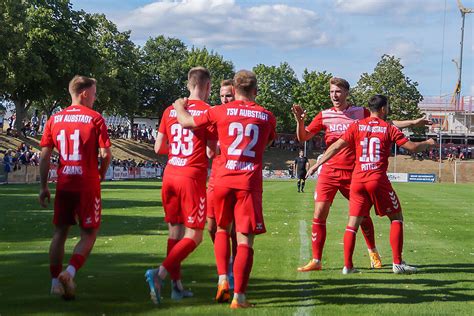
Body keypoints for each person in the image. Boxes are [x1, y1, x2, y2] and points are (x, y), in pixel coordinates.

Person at [292, 77, 432, 272]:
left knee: (362, 215)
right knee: (319, 213)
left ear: (347, 93)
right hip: (330, 172)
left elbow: (385, 122)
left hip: (354, 172)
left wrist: (414, 121)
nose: (334, 95)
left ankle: (372, 251)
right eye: (332, 92)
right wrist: (300, 122)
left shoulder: (360, 113)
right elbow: (303, 137)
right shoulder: (324, 115)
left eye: (338, 92)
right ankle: (316, 260)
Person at [173, 69, 276, 309]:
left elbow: (187, 122)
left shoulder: (218, 111)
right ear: (255, 91)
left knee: (221, 229)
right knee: (244, 241)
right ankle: (239, 296)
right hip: (248, 183)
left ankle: (222, 280)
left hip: (221, 180)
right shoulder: (266, 116)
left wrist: (179, 106)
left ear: (234, 90)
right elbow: (267, 141)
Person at [146, 67, 217, 305]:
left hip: (170, 174)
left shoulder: (169, 110)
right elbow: (210, 151)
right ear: (207, 87)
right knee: (195, 236)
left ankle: (176, 287)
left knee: (174, 231)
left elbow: (158, 148)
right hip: (191, 176)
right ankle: (160, 273)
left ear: (188, 84)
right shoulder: (209, 112)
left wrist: (177, 150)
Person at [38, 75, 112, 300]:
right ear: (85, 93)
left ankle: (54, 282)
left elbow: (44, 156)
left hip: (64, 182)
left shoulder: (55, 119)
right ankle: (69, 273)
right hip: (86, 182)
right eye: (95, 92)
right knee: (89, 233)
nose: (96, 97)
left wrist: (43, 186)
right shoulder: (95, 118)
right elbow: (106, 154)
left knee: (60, 231)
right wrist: (100, 173)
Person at [206, 79, 238, 290]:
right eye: (222, 96)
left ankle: (234, 267)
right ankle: (226, 261)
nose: (225, 99)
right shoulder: (216, 115)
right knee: (212, 226)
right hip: (216, 177)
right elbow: (210, 151)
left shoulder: (241, 116)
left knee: (235, 229)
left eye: (229, 95)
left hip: (236, 177)